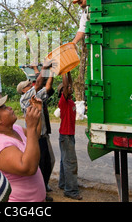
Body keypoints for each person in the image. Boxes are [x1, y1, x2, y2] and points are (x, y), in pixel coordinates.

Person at [0, 95, 46, 202]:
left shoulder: (16, 129)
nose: (10, 108)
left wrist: (38, 111)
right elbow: (29, 168)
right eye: (4, 108)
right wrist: (31, 126)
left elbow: (35, 136)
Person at [17, 60, 54, 201]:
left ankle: (43, 188)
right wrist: (44, 67)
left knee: (48, 162)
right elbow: (39, 83)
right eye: (27, 85)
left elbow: (48, 86)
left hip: (43, 134)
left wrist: (51, 72)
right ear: (24, 90)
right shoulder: (24, 99)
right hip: (36, 137)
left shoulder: (36, 96)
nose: (30, 84)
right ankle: (40, 192)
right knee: (40, 165)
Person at [57, 72, 82, 200]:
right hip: (66, 136)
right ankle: (71, 191)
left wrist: (69, 70)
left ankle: (63, 184)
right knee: (70, 163)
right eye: (68, 88)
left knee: (64, 161)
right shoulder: (64, 101)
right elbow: (67, 86)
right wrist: (63, 72)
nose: (71, 88)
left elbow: (69, 84)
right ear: (63, 92)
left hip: (68, 135)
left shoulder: (70, 101)